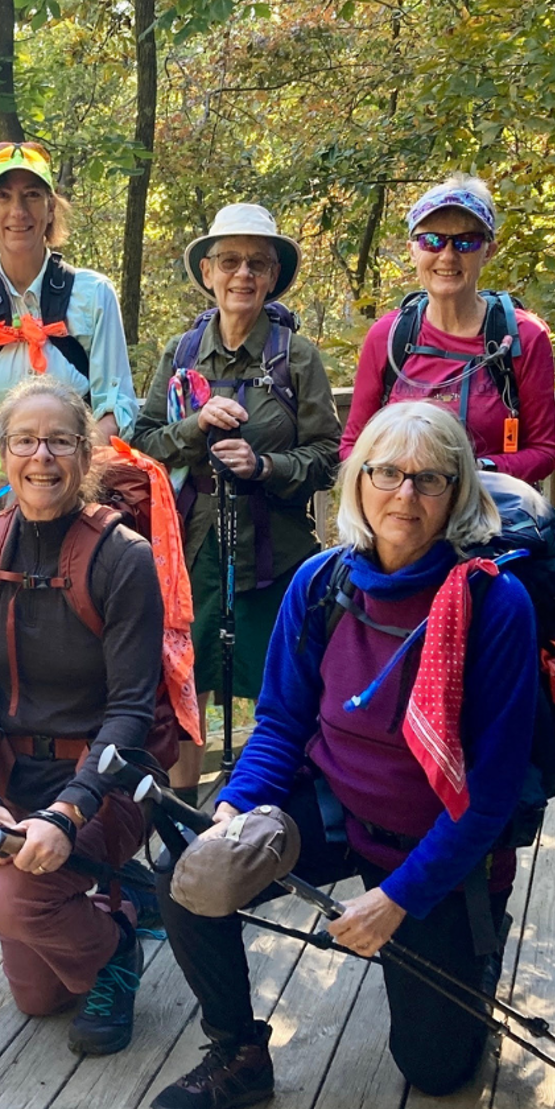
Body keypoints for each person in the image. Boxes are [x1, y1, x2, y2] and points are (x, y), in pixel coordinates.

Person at [148, 402, 540, 1109]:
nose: (405, 494)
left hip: (434, 846)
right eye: (387, 472)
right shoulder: (324, 583)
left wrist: (396, 900)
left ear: (457, 492)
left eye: (429, 478)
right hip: (335, 807)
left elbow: (486, 799)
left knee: (437, 1070)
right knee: (191, 875)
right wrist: (235, 809)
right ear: (359, 481)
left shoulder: (495, 604)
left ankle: (472, 957)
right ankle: (237, 1052)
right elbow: (283, 722)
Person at [0, 377, 165, 1057]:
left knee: (10, 901)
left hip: (107, 783)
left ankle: (116, 948)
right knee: (39, 999)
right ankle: (115, 906)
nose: (42, 457)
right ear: (2, 452)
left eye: (60, 441)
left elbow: (132, 708)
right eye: (25, 440)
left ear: (86, 452)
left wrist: (69, 812)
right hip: (16, 778)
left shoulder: (124, 558)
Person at [132, 203, 340, 798]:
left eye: (256, 263)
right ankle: (184, 815)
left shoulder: (296, 357)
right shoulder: (182, 352)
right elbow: (145, 439)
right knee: (185, 681)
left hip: (277, 549)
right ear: (208, 272)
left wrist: (266, 465)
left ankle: (278, 812)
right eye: (229, 261)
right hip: (194, 545)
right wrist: (196, 425)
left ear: (273, 276)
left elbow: (328, 455)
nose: (242, 274)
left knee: (290, 681)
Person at [0, 142, 138, 523]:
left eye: (32, 195)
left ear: (51, 208)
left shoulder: (93, 296)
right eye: (3, 196)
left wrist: (60, 463)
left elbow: (117, 406)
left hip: (76, 502)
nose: (18, 211)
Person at [340, 174, 555, 484]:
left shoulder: (522, 338)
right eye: (432, 240)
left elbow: (543, 451)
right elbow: (352, 446)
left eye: (467, 241)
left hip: (492, 515)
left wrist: (470, 473)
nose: (448, 255)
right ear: (413, 250)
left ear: (488, 252)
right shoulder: (388, 337)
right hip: (404, 511)